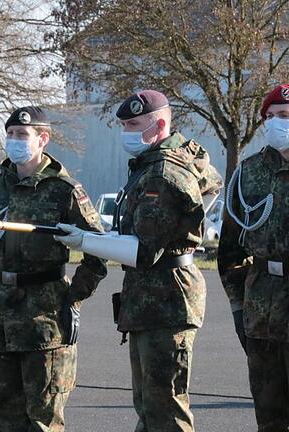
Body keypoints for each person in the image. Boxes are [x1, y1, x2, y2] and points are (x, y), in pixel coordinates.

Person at [54, 90, 221, 432]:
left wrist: (86, 241)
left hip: (166, 301)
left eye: (133, 124)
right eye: (124, 124)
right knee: (149, 406)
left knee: (165, 411)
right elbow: (210, 185)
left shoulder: (162, 172)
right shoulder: (167, 160)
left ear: (160, 124)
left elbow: (144, 251)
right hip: (154, 299)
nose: (126, 131)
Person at [0, 106, 107, 432]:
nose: (15, 141)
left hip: (46, 321)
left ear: (42, 139)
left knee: (44, 420)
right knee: (5, 416)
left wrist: (72, 298)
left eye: (23, 135)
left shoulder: (64, 190)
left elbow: (97, 251)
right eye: (11, 134)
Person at [218, 84, 289, 432]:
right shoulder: (248, 172)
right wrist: (238, 307)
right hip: (262, 312)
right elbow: (230, 250)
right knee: (270, 418)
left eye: (285, 117)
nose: (277, 123)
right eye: (271, 117)